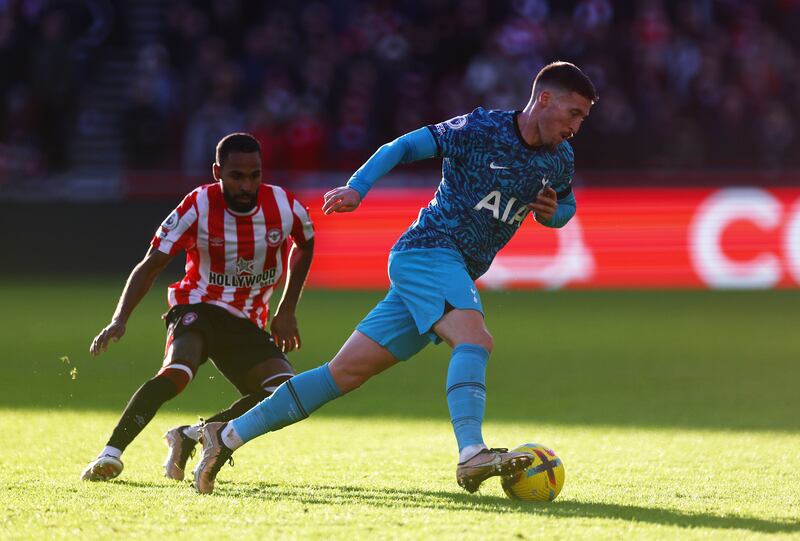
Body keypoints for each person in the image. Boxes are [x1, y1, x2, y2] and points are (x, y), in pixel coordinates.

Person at [193, 61, 597, 495]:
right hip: (428, 252)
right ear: (546, 99)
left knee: (341, 374)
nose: (577, 126)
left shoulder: (559, 158)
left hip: (451, 270)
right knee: (475, 340)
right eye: (574, 114)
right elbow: (403, 146)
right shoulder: (481, 130)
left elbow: (566, 208)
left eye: (583, 119)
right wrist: (357, 187)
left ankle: (226, 435)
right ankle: (471, 453)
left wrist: (553, 213)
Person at [80, 133, 315, 482]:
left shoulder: (284, 206)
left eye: (255, 175)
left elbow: (305, 244)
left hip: (248, 319)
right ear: (218, 171)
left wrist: (287, 309)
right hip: (197, 305)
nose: (247, 185)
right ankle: (110, 455)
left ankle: (191, 435)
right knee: (178, 372)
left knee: (286, 393)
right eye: (237, 176)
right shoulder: (198, 205)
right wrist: (120, 319)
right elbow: (152, 265)